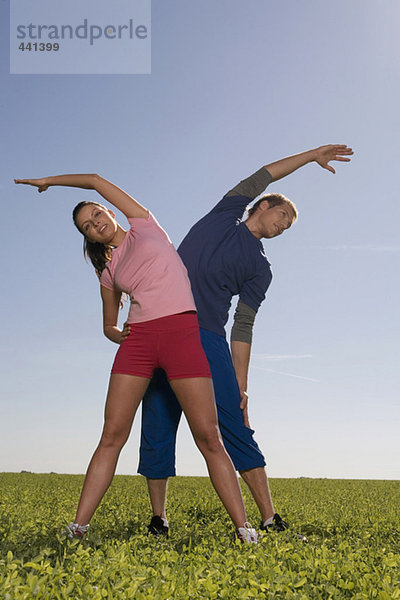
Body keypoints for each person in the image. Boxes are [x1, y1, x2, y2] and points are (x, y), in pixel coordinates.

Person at [14, 173, 259, 543]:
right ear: (89, 237)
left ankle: (244, 529)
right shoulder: (109, 272)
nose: (95, 223)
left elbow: (96, 179)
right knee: (112, 434)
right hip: (140, 343)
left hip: (181, 335)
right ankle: (78, 528)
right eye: (87, 227)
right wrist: (119, 334)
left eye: (96, 215)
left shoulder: (145, 225)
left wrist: (51, 181)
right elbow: (109, 326)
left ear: (109, 211)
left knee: (208, 436)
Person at [138, 144, 353, 538]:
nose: (285, 224)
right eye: (283, 214)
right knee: (157, 420)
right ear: (262, 205)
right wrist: (309, 157)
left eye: (290, 224)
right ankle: (158, 518)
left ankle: (270, 517)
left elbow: (243, 326)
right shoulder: (223, 216)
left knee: (233, 423)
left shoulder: (261, 268)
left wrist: (242, 384)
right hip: (163, 327)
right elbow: (264, 174)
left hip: (207, 339)